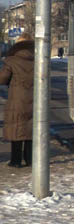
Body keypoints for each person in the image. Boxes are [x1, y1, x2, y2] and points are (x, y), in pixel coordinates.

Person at [1, 34, 35, 168]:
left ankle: (15, 160)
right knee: (30, 128)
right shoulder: (38, 60)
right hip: (34, 99)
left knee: (16, 127)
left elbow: (2, 78)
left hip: (17, 98)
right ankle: (30, 159)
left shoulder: (12, 61)